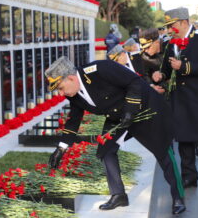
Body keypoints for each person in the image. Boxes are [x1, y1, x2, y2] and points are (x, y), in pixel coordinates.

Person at [46, 57, 186, 215]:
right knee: (106, 150)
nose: (61, 93)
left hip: (145, 110)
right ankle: (119, 194)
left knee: (163, 152)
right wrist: (61, 148)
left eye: (61, 87)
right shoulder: (72, 93)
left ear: (71, 78)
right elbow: (74, 119)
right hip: (116, 117)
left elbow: (134, 82)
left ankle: (178, 197)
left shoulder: (100, 69)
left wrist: (130, 109)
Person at [152, 7, 198, 190]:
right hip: (180, 98)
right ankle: (189, 176)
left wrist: (185, 66)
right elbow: (167, 69)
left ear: (183, 22)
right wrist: (160, 75)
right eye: (167, 26)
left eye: (171, 25)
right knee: (184, 138)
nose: (168, 30)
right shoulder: (170, 43)